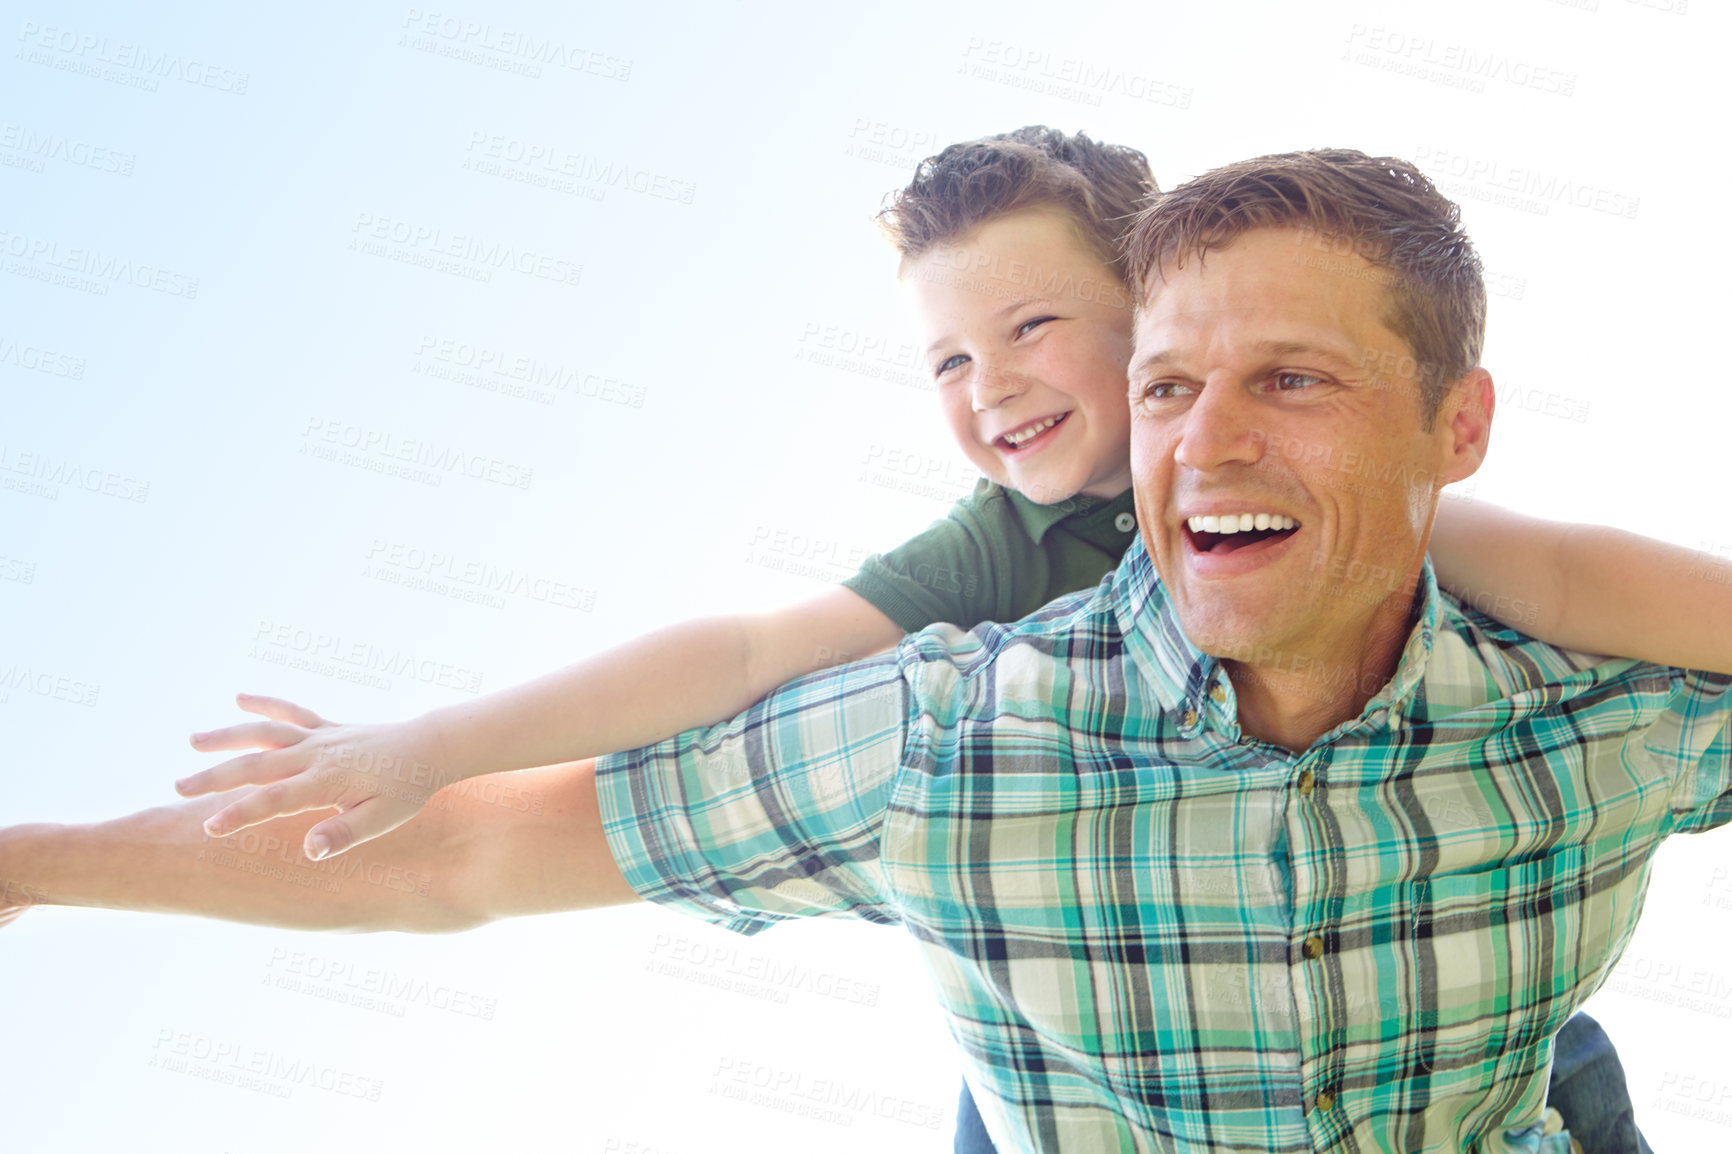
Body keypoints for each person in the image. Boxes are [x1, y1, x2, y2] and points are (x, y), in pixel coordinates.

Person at [1, 145, 1709, 1150]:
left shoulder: (1570, 694)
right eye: (1182, 388)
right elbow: (473, 843)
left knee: (1566, 1074)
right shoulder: (954, 701)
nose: (1000, 388)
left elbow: (1566, 571)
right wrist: (39, 860)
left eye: (1296, 378)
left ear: (1454, 424)